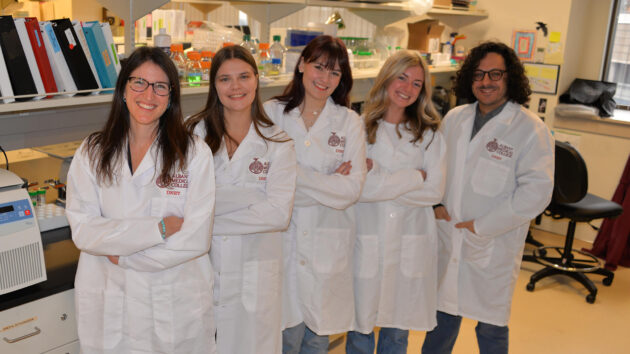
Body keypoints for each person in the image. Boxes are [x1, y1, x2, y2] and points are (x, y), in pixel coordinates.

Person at [66, 46, 216, 353]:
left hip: (172, 304)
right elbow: (83, 230)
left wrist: (122, 255)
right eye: (139, 83)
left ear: (172, 96)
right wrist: (157, 230)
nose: (149, 95)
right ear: (123, 89)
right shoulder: (92, 151)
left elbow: (195, 238)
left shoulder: (193, 152)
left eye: (161, 86)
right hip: (110, 302)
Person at [421, 41, 554, 354]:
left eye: (495, 74)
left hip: (492, 242)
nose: (486, 82)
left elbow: (537, 192)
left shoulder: (529, 129)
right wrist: (435, 203)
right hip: (449, 235)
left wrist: (482, 226)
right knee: (441, 319)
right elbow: (436, 167)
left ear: (510, 78)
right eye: (479, 75)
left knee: (491, 327)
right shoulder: (455, 118)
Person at [186, 45, 297, 354]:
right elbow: (181, 202)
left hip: (255, 276)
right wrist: (249, 199)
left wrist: (206, 218)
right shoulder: (193, 134)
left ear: (257, 80)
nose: (235, 87)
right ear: (214, 85)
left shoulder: (278, 142)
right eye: (225, 79)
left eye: (244, 76)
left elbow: (277, 215)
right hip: (201, 272)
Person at [263, 35, 367, 354]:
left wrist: (289, 175)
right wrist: (325, 182)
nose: (325, 78)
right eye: (319, 67)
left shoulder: (349, 122)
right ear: (302, 65)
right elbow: (260, 180)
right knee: (285, 339)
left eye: (335, 72)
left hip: (327, 249)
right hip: (282, 244)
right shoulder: (272, 114)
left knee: (317, 342)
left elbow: (349, 192)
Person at [346, 50, 446, 354]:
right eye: (402, 77)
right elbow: (357, 189)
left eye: (417, 83)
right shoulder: (358, 127)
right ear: (387, 78)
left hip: (409, 244)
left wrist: (380, 177)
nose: (407, 87)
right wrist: (414, 176)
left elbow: (435, 193)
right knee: (360, 328)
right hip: (366, 240)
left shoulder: (430, 133)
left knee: (397, 333)